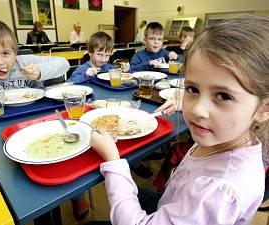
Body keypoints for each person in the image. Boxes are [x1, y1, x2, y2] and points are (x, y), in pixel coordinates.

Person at [89, 15, 269, 224]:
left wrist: (113, 160)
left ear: (263, 109)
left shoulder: (219, 192)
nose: (198, 110)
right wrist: (184, 102)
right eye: (193, 89)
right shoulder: (230, 137)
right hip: (173, 204)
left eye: (223, 96)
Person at [0, 20, 69, 103]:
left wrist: (40, 71)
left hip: (37, 111)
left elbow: (64, 63)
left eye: (5, 53)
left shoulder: (25, 62)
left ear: (15, 52)